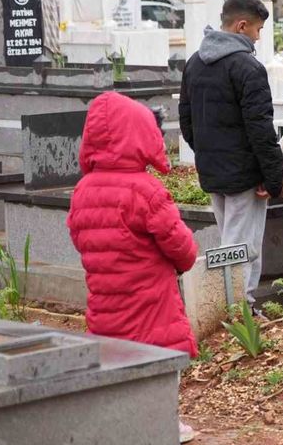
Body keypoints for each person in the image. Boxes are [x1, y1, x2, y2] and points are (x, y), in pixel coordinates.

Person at [67, 92, 199, 443]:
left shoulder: (82, 190)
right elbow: (181, 247)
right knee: (159, 359)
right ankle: (162, 423)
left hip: (106, 296)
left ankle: (121, 424)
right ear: (142, 136)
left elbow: (79, 238)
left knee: (116, 360)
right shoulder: (146, 191)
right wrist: (185, 259)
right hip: (151, 298)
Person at [179, 0, 283, 303]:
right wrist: (272, 176)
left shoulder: (195, 63)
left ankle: (231, 303)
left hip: (214, 169)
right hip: (244, 175)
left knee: (231, 239)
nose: (258, 37)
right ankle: (239, 307)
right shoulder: (248, 68)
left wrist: (207, 154)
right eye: (257, 30)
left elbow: (187, 120)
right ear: (241, 26)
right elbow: (260, 128)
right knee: (243, 245)